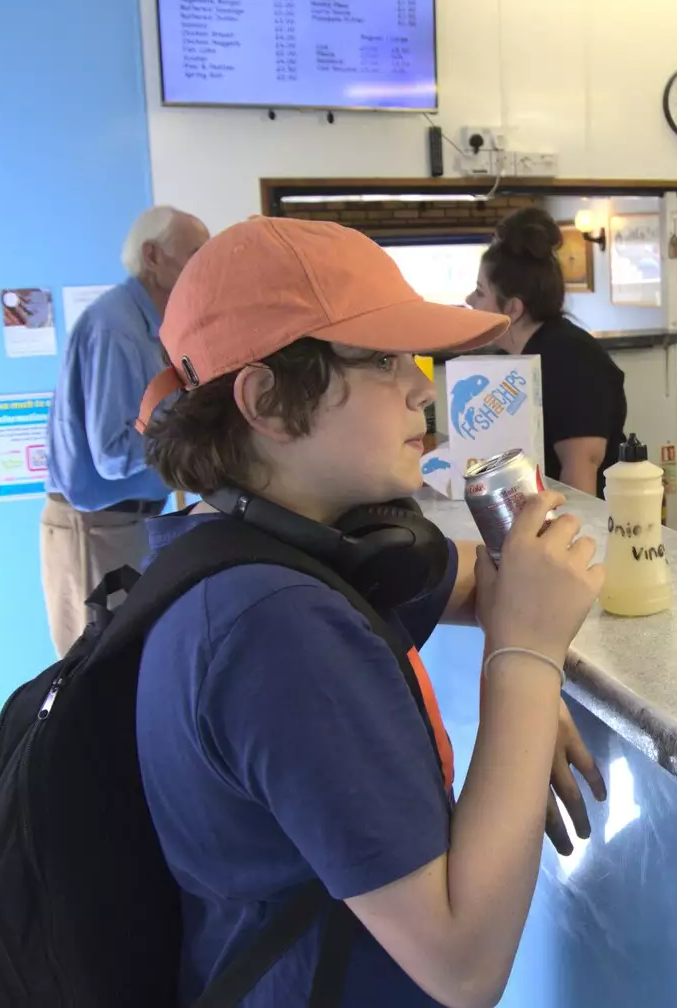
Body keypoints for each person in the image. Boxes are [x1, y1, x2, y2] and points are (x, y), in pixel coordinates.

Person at [134, 217, 607, 1006]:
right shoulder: (277, 632)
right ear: (269, 403)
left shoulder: (256, 552)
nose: (425, 386)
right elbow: (464, 967)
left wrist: (521, 617)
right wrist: (528, 663)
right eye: (386, 360)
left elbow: (490, 581)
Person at [41, 206, 210, 657]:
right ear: (153, 256)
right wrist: (196, 435)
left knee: (134, 662)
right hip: (99, 529)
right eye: (196, 253)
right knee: (98, 669)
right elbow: (114, 454)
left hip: (131, 522)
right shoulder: (116, 327)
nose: (206, 265)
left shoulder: (151, 326)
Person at [467, 207, 626, 496]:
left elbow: (581, 475)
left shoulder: (574, 360)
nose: (468, 300)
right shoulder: (510, 361)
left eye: (479, 292)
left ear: (512, 309)